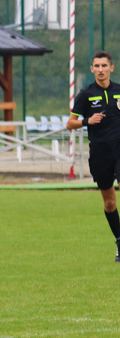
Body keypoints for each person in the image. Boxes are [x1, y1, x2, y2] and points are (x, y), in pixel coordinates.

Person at [67, 50, 120, 262]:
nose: (100, 70)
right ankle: (118, 240)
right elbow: (70, 123)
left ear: (111, 68)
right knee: (109, 203)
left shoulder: (119, 91)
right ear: (92, 69)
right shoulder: (86, 94)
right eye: (96, 66)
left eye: (104, 66)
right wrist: (87, 121)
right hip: (100, 154)